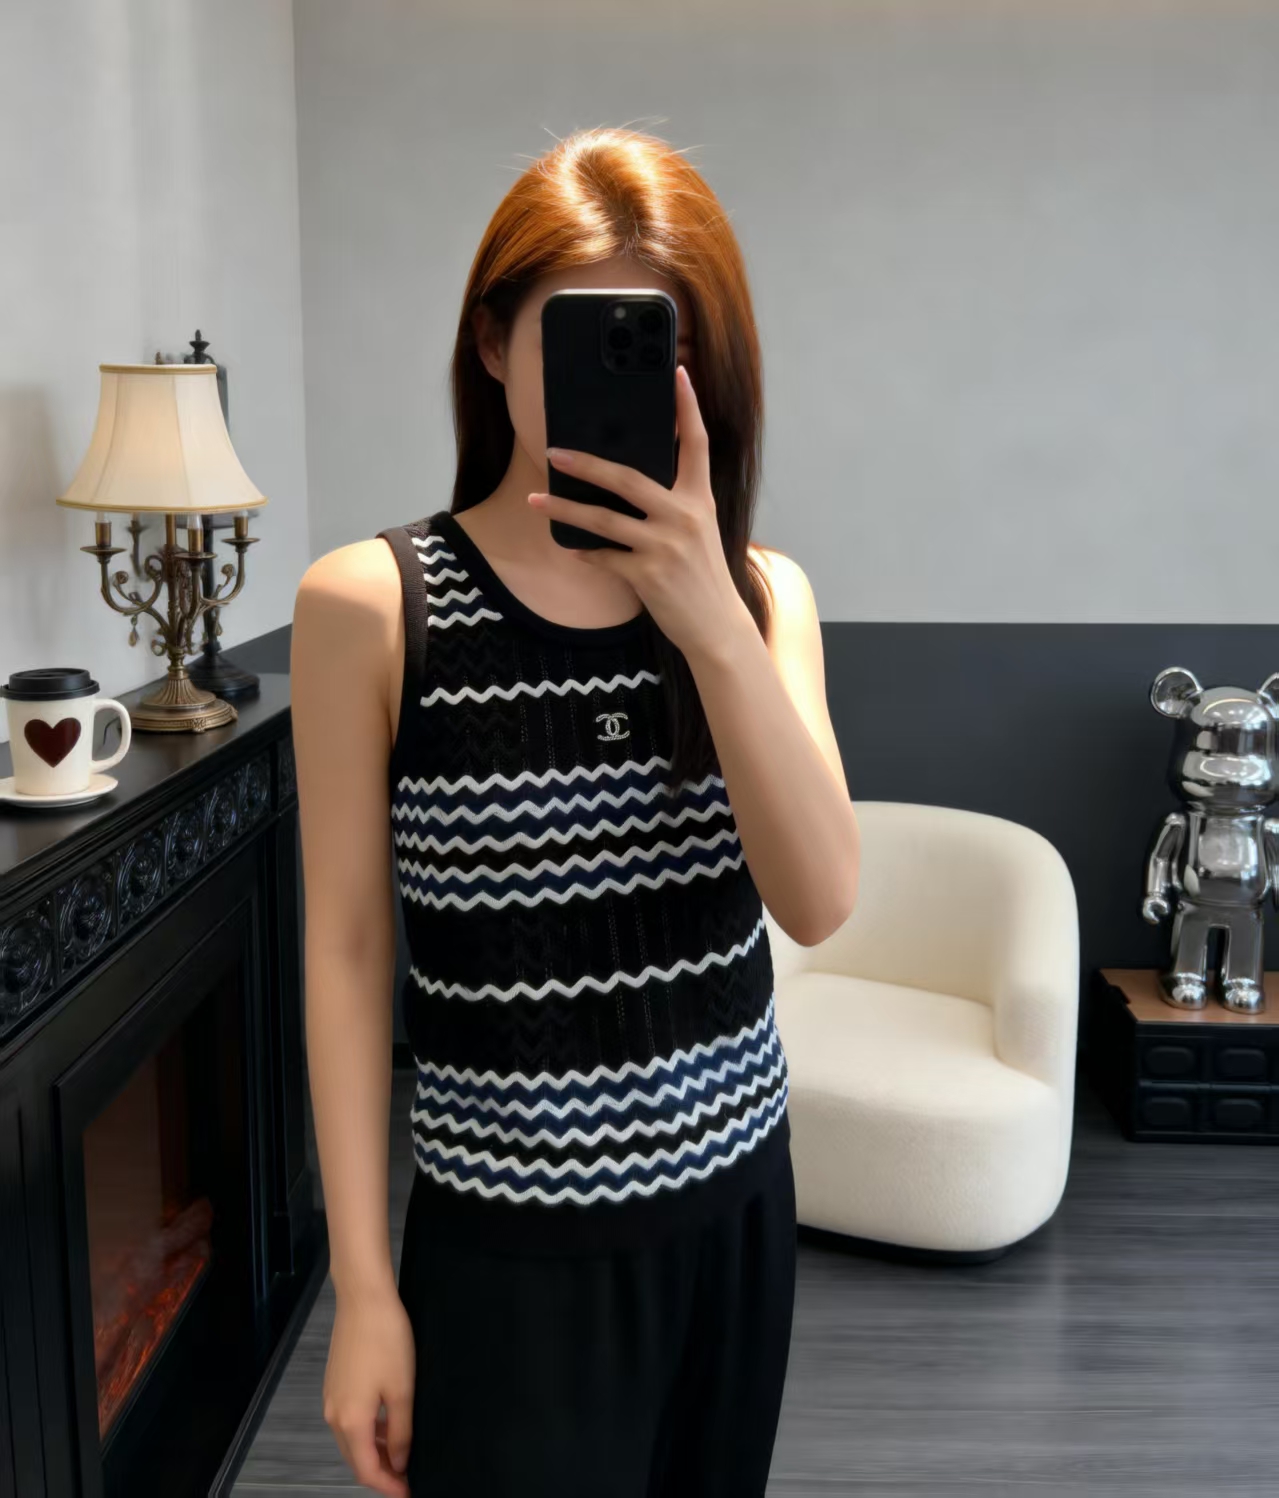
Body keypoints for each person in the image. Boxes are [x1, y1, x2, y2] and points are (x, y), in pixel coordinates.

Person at [291, 125, 860, 1498]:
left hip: (736, 1214)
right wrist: (362, 1289)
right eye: (582, 336)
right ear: (493, 344)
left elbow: (820, 901)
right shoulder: (372, 606)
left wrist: (707, 617)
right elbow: (349, 952)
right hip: (505, 1254)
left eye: (671, 346)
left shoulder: (763, 596)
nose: (640, 381)